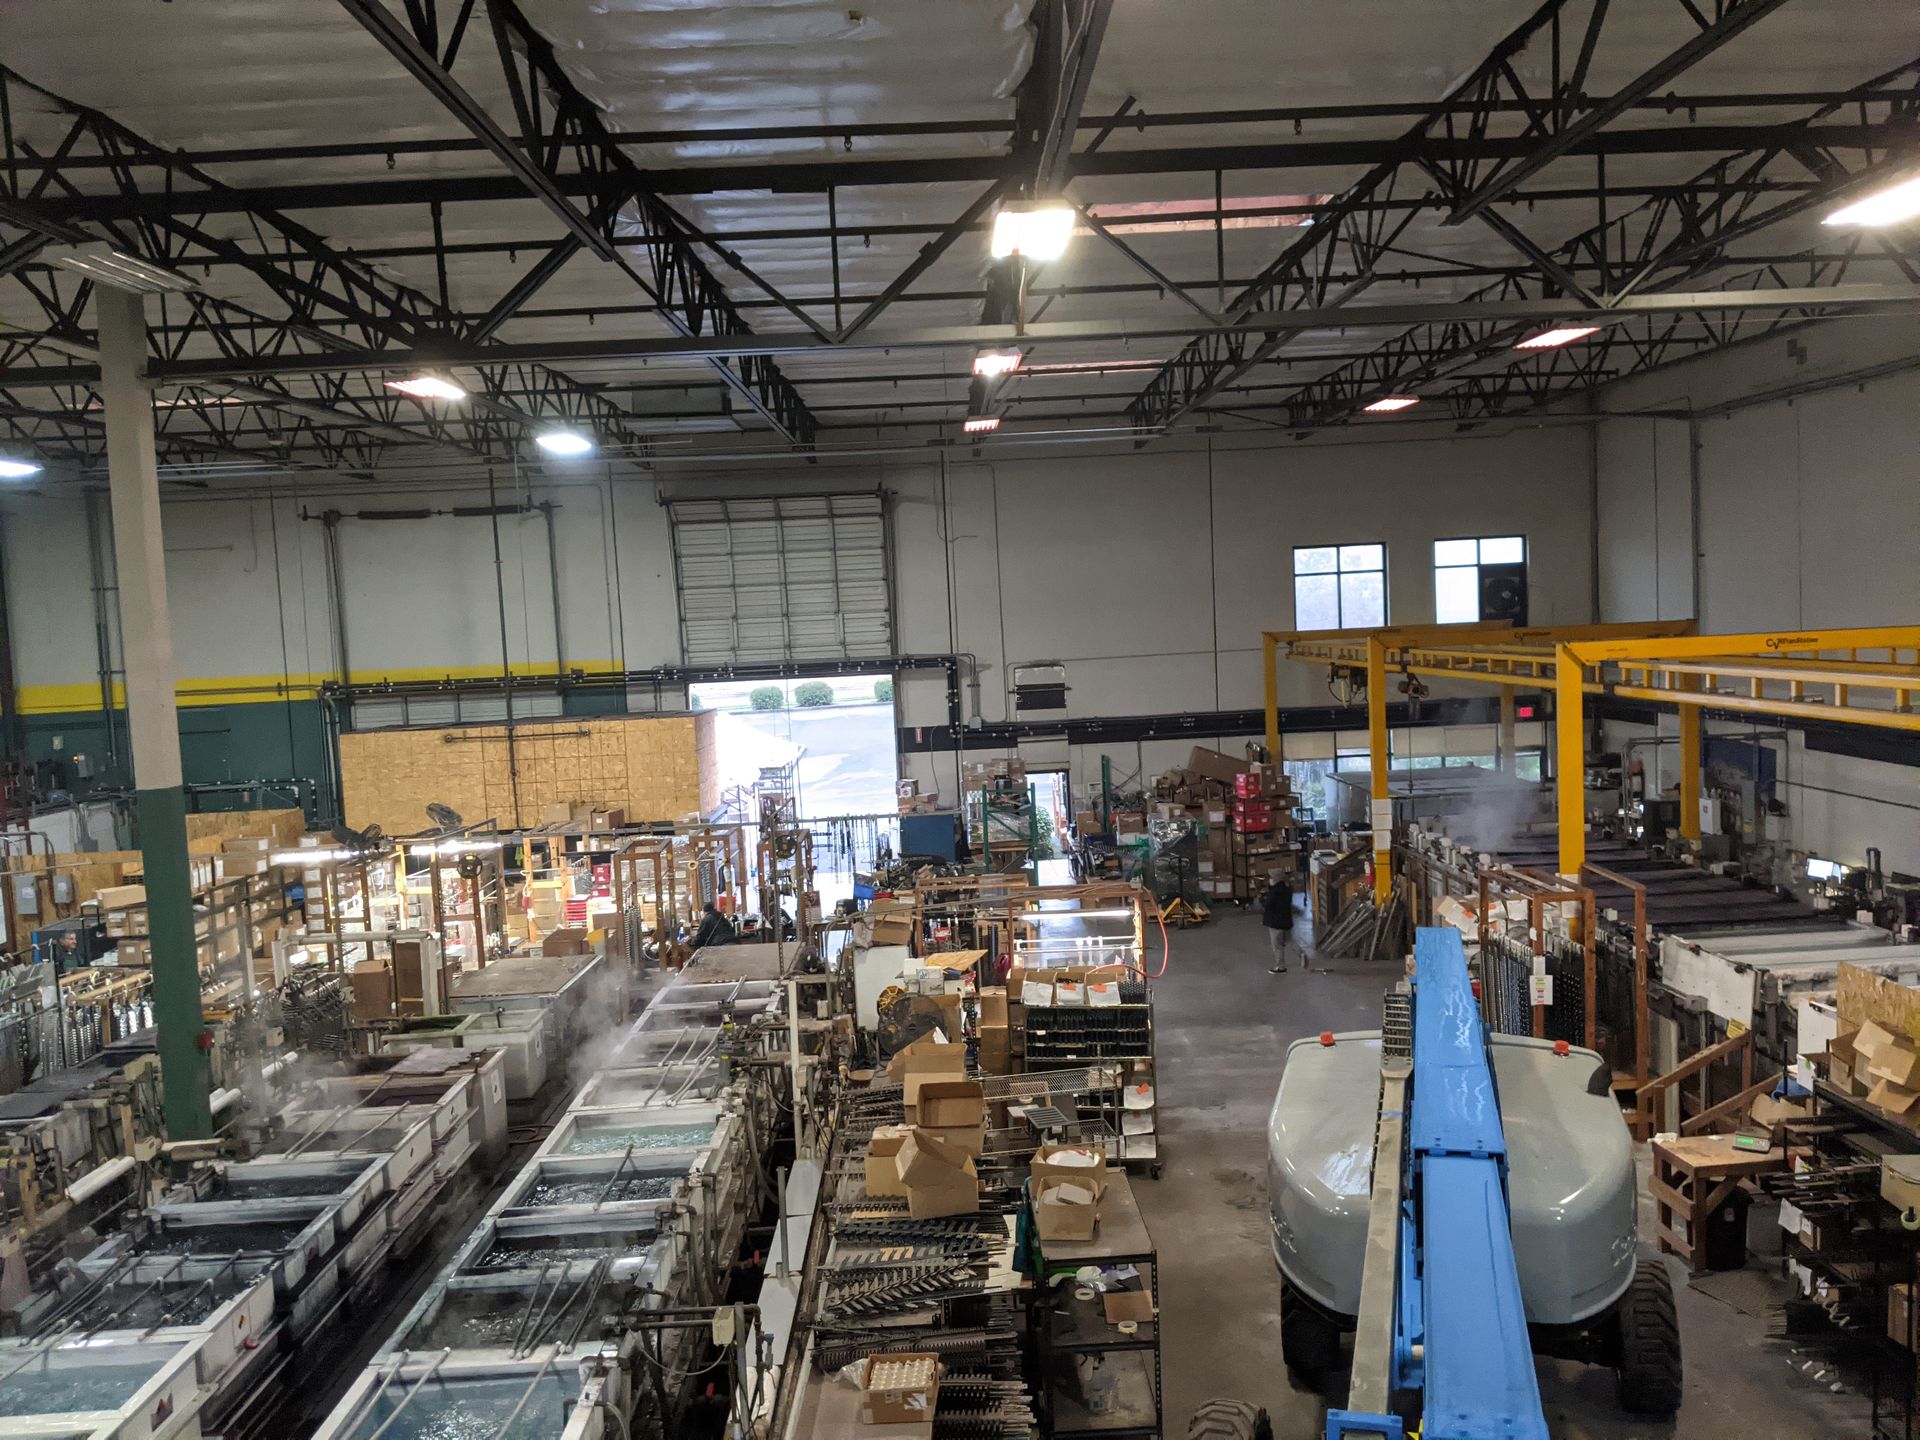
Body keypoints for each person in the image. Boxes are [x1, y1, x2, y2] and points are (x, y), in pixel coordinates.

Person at [1263, 877, 1302, 974]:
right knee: (1289, 940)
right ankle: (1301, 954)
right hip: (1286, 921)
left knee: (1277, 945)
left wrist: (1261, 897)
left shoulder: (1274, 891)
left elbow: (1268, 905)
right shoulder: (1287, 890)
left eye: (1271, 877)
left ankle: (1281, 967)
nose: (1270, 879)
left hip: (1275, 922)